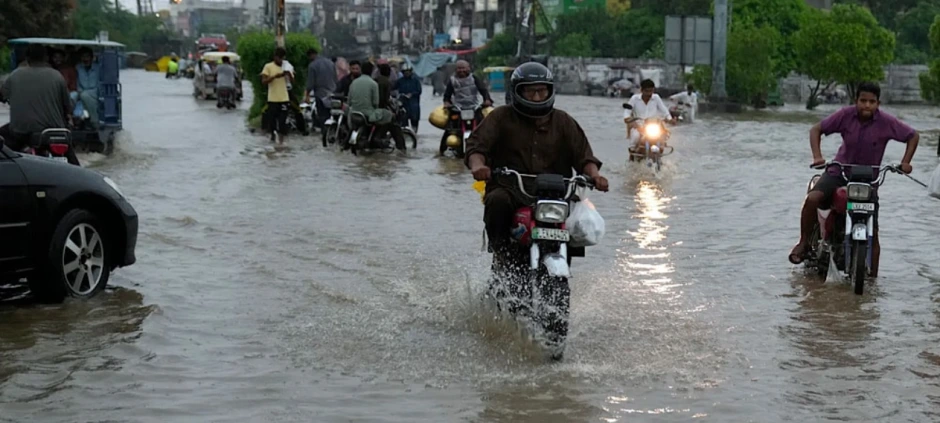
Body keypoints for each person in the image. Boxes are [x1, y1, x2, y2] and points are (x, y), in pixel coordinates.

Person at [465, 62, 609, 262]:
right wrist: (478, 166)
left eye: (541, 91)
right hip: (512, 189)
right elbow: (476, 147)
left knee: (575, 220)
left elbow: (584, 156)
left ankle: (563, 255)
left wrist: (595, 176)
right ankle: (501, 253)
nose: (536, 97)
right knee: (497, 201)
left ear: (550, 91)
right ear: (517, 92)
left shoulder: (563, 121)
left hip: (555, 194)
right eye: (530, 92)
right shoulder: (500, 117)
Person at [788, 82, 919, 277]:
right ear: (855, 101)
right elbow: (816, 129)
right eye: (863, 101)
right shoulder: (845, 115)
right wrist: (817, 156)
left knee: (873, 233)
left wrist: (905, 162)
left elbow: (913, 136)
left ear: (878, 103)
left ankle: (873, 281)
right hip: (838, 173)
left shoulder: (886, 122)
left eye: (872, 102)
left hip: (868, 182)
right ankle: (804, 242)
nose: (867, 105)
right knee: (813, 198)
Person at [0, 44, 79, 165]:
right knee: (74, 164)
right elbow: (67, 106)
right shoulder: (57, 76)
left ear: (27, 58)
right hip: (53, 131)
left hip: (20, 132)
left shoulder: (15, 75)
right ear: (47, 58)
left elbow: (2, 95)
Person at [348, 62, 406, 152]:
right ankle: (380, 140)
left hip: (354, 113)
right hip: (368, 113)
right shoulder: (374, 83)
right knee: (391, 117)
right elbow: (376, 103)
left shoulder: (354, 82)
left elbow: (349, 101)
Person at [624, 79, 672, 153]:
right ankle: (632, 155)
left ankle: (660, 153)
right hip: (639, 126)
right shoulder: (634, 98)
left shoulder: (656, 98)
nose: (649, 93)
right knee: (635, 137)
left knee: (663, 136)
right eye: (647, 91)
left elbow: (664, 110)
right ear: (642, 90)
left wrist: (670, 119)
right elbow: (627, 113)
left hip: (654, 125)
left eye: (651, 91)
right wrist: (628, 119)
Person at [261, 47, 293, 144]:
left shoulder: (287, 66)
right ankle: (273, 135)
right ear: (274, 57)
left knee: (283, 121)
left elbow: (293, 81)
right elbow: (263, 81)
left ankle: (281, 141)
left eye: (281, 58)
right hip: (272, 99)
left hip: (284, 98)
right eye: (278, 58)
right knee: (272, 120)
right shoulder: (268, 67)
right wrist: (274, 77)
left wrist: (289, 75)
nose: (279, 60)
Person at [304, 48, 337, 128]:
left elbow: (310, 83)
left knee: (322, 115)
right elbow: (335, 78)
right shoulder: (330, 63)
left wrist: (307, 94)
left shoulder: (312, 65)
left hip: (320, 94)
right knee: (332, 113)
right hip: (333, 92)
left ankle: (324, 131)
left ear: (311, 55)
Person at [76, 47, 100, 129]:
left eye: (87, 56)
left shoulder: (98, 68)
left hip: (96, 91)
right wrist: (79, 91)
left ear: (91, 57)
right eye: (83, 56)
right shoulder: (78, 68)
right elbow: (77, 82)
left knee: (85, 96)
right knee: (73, 96)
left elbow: (100, 83)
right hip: (81, 91)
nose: (85, 59)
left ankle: (95, 120)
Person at [394, 63, 422, 133]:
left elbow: (419, 91)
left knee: (414, 121)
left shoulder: (415, 80)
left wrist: (412, 94)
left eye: (408, 72)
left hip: (414, 104)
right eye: (405, 72)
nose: (406, 73)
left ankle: (414, 134)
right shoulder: (400, 81)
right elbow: (393, 88)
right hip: (403, 104)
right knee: (403, 122)